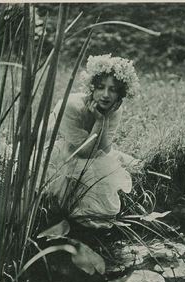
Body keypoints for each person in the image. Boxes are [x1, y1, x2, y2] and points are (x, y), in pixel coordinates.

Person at [46, 54, 140, 228]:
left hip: (90, 151)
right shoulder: (70, 105)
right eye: (100, 87)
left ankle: (95, 227)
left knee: (107, 168)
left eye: (112, 90)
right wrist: (98, 121)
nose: (105, 95)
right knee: (90, 173)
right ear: (91, 88)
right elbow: (84, 152)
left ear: (120, 94)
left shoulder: (113, 109)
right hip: (61, 149)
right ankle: (75, 222)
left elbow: (103, 150)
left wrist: (103, 119)